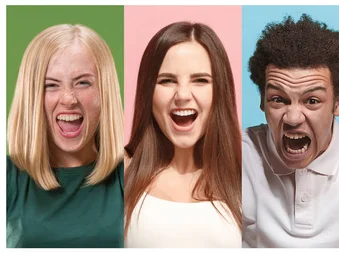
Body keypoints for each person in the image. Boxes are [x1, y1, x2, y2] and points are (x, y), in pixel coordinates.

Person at [242, 14, 339, 247]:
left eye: (312, 101)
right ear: (263, 102)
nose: (293, 118)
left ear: (338, 102)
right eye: (278, 99)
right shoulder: (237, 153)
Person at [123, 22, 241, 248]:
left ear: (220, 92)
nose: (183, 95)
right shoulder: (120, 173)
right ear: (149, 91)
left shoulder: (247, 177)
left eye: (200, 80)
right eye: (167, 80)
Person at [6, 24, 124, 248]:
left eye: (83, 83)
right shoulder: (8, 179)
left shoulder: (131, 176)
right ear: (32, 97)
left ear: (104, 92)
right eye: (51, 85)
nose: (69, 99)